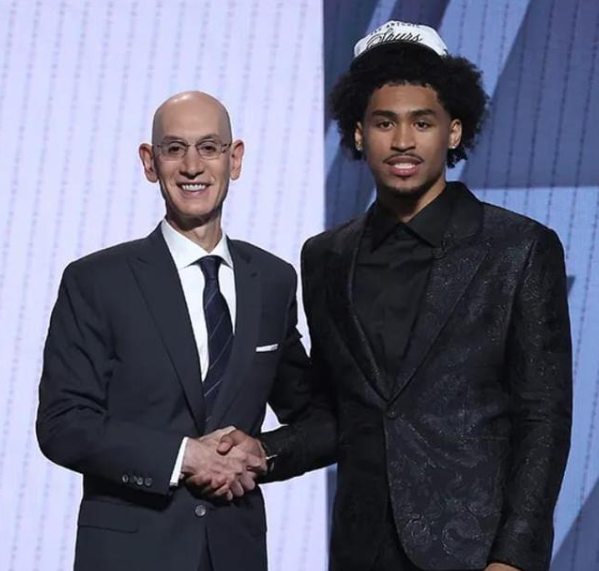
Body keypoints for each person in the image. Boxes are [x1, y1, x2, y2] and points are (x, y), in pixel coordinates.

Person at [220, 21, 573, 571]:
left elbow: (543, 418)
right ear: (359, 134)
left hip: (476, 553)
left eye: (422, 122)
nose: (403, 141)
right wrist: (262, 451)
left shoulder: (519, 248)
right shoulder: (325, 257)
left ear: (453, 132)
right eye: (384, 122)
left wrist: (514, 558)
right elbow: (342, 415)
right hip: (361, 549)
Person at [36, 91, 316, 571]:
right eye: (174, 149)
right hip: (130, 555)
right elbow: (63, 423)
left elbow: (314, 416)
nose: (192, 166)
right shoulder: (97, 280)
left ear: (235, 159)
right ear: (150, 162)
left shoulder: (272, 280)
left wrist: (263, 453)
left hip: (236, 552)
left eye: (209, 147)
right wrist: (184, 456)